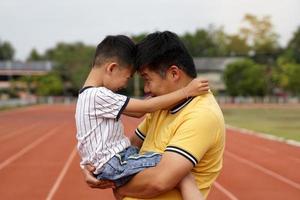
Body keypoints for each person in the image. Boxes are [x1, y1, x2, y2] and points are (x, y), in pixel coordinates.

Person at [82, 31, 225, 200]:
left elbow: (159, 181)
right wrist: (98, 163)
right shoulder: (163, 106)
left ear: (174, 73)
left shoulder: (201, 115)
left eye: (147, 79)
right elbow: (133, 145)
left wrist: (120, 188)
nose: (146, 90)